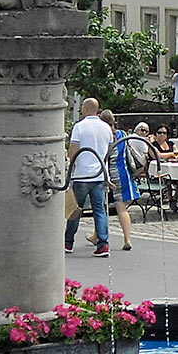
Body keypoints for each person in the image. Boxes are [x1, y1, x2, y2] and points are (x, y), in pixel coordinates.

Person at [64, 98, 113, 256]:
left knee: (75, 209)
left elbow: (74, 150)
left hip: (82, 174)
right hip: (99, 174)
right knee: (99, 210)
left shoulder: (79, 127)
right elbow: (109, 151)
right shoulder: (106, 128)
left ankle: (68, 242)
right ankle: (103, 244)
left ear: (84, 110)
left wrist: (71, 162)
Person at [89, 109, 134, 252]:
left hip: (105, 172)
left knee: (100, 207)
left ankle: (98, 235)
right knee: (122, 208)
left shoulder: (102, 134)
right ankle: (127, 239)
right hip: (122, 172)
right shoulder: (122, 134)